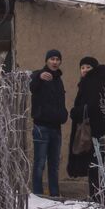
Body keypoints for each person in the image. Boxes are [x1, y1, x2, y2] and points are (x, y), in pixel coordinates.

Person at [68, 56, 105, 200]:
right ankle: (97, 196)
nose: (85, 70)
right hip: (96, 129)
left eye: (88, 67)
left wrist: (75, 112)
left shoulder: (92, 82)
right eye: (82, 67)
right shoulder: (95, 81)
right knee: (96, 165)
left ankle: (97, 197)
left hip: (93, 129)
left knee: (94, 165)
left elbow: (92, 107)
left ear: (94, 69)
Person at [29, 49, 68, 197]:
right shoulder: (39, 75)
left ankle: (54, 194)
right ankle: (38, 195)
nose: (55, 62)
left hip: (56, 128)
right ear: (46, 61)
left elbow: (60, 101)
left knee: (54, 165)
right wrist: (38, 76)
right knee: (39, 163)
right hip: (41, 127)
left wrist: (64, 114)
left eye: (57, 59)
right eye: (52, 59)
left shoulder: (59, 79)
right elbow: (31, 85)